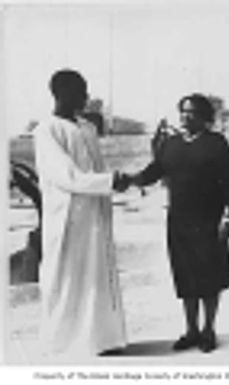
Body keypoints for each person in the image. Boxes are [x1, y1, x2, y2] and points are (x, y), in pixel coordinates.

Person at [125, 93, 229, 353]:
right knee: (185, 275)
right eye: (183, 112)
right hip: (179, 220)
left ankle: (209, 329)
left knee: (210, 276)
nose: (186, 117)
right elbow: (154, 171)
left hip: (209, 220)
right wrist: (129, 180)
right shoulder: (171, 144)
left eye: (193, 112)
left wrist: (228, 216)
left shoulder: (216, 143)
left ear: (204, 117)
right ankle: (191, 330)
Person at [34, 69, 128, 357]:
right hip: (67, 219)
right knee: (67, 279)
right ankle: (63, 343)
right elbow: (67, 176)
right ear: (61, 94)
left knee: (96, 275)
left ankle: (101, 340)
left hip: (94, 215)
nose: (86, 97)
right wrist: (112, 181)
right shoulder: (46, 130)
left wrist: (113, 182)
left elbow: (95, 169)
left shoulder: (86, 127)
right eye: (80, 92)